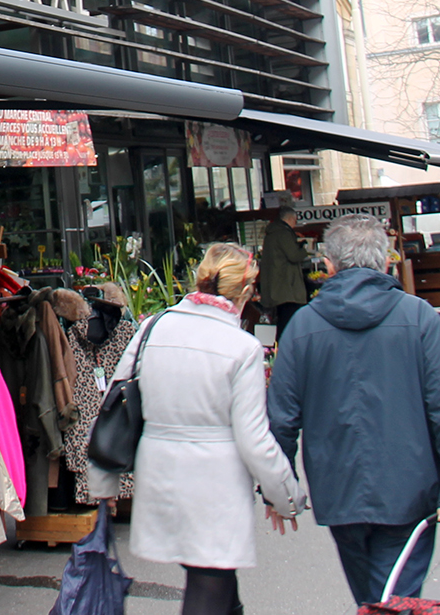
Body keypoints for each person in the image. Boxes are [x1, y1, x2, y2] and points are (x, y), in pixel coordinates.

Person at [267, 216, 440, 608]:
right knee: (394, 598)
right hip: (409, 489)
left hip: (338, 490)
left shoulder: (302, 326)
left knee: (373, 598)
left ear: (328, 265)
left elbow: (281, 418)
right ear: (385, 263)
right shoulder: (418, 319)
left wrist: (278, 490)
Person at [93, 243, 305, 615]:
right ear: (245, 292)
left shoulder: (152, 327)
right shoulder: (242, 348)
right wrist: (286, 496)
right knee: (210, 583)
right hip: (214, 489)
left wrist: (103, 484)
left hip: (160, 478)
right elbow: (254, 439)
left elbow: (114, 404)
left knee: (218, 583)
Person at [258, 206, 309, 340]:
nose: (295, 223)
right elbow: (293, 256)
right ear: (290, 219)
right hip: (287, 287)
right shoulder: (283, 233)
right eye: (295, 220)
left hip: (277, 286)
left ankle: (279, 348)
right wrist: (305, 249)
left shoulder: (272, 233)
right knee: (289, 320)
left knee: (282, 319)